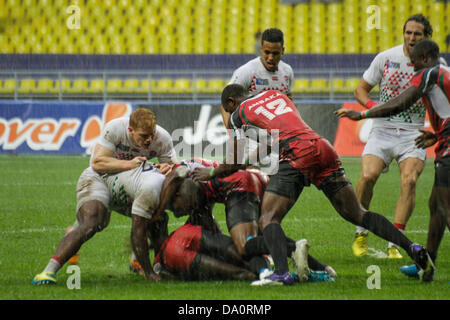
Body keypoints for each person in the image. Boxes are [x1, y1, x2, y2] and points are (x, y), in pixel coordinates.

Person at [192, 84, 433, 285]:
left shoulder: (238, 113)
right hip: (322, 147)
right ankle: (412, 248)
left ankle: (281, 274)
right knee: (358, 213)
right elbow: (272, 141)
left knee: (267, 219)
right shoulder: (276, 94)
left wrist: (211, 171)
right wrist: (247, 162)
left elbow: (232, 161)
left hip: (297, 154)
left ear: (231, 103)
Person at [336, 39, 449, 282]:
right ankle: (426, 264)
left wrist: (362, 114)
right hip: (437, 140)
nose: (413, 70)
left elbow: (399, 104)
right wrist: (439, 134)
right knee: (436, 207)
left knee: (445, 208)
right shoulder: (443, 74)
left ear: (427, 59)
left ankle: (407, 250)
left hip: (441, 145)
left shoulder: (428, 74)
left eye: (416, 64)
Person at [32, 108, 177, 284]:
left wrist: (168, 168)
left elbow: (172, 169)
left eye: (151, 135)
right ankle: (48, 271)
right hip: (100, 179)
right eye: (143, 136)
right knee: (93, 222)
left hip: (129, 183)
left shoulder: (162, 138)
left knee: (157, 218)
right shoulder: (115, 128)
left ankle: (141, 263)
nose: (149, 140)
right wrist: (129, 164)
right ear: (130, 130)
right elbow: (97, 163)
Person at [351, 14, 433, 259]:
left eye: (417, 34)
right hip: (382, 129)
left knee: (409, 181)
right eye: (408, 33)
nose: (411, 38)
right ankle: (360, 232)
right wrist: (371, 108)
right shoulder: (386, 58)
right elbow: (360, 89)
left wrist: (437, 129)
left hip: (414, 133)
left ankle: (394, 244)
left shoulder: (436, 68)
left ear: (426, 37)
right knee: (367, 176)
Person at [153, 174, 336, 283]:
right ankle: (321, 269)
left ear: (178, 194)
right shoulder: (194, 190)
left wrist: (158, 210)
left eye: (176, 207)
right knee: (257, 243)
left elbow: (179, 175)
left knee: (244, 246)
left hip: (240, 186)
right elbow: (210, 226)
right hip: (255, 180)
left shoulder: (185, 178)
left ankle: (291, 251)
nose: (179, 213)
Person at [220, 28, 294, 131]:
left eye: (275, 53)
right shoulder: (248, 71)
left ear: (283, 51)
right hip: (252, 137)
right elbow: (226, 104)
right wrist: (232, 133)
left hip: (279, 136)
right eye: (267, 52)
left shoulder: (287, 71)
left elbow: (289, 100)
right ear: (261, 49)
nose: (270, 57)